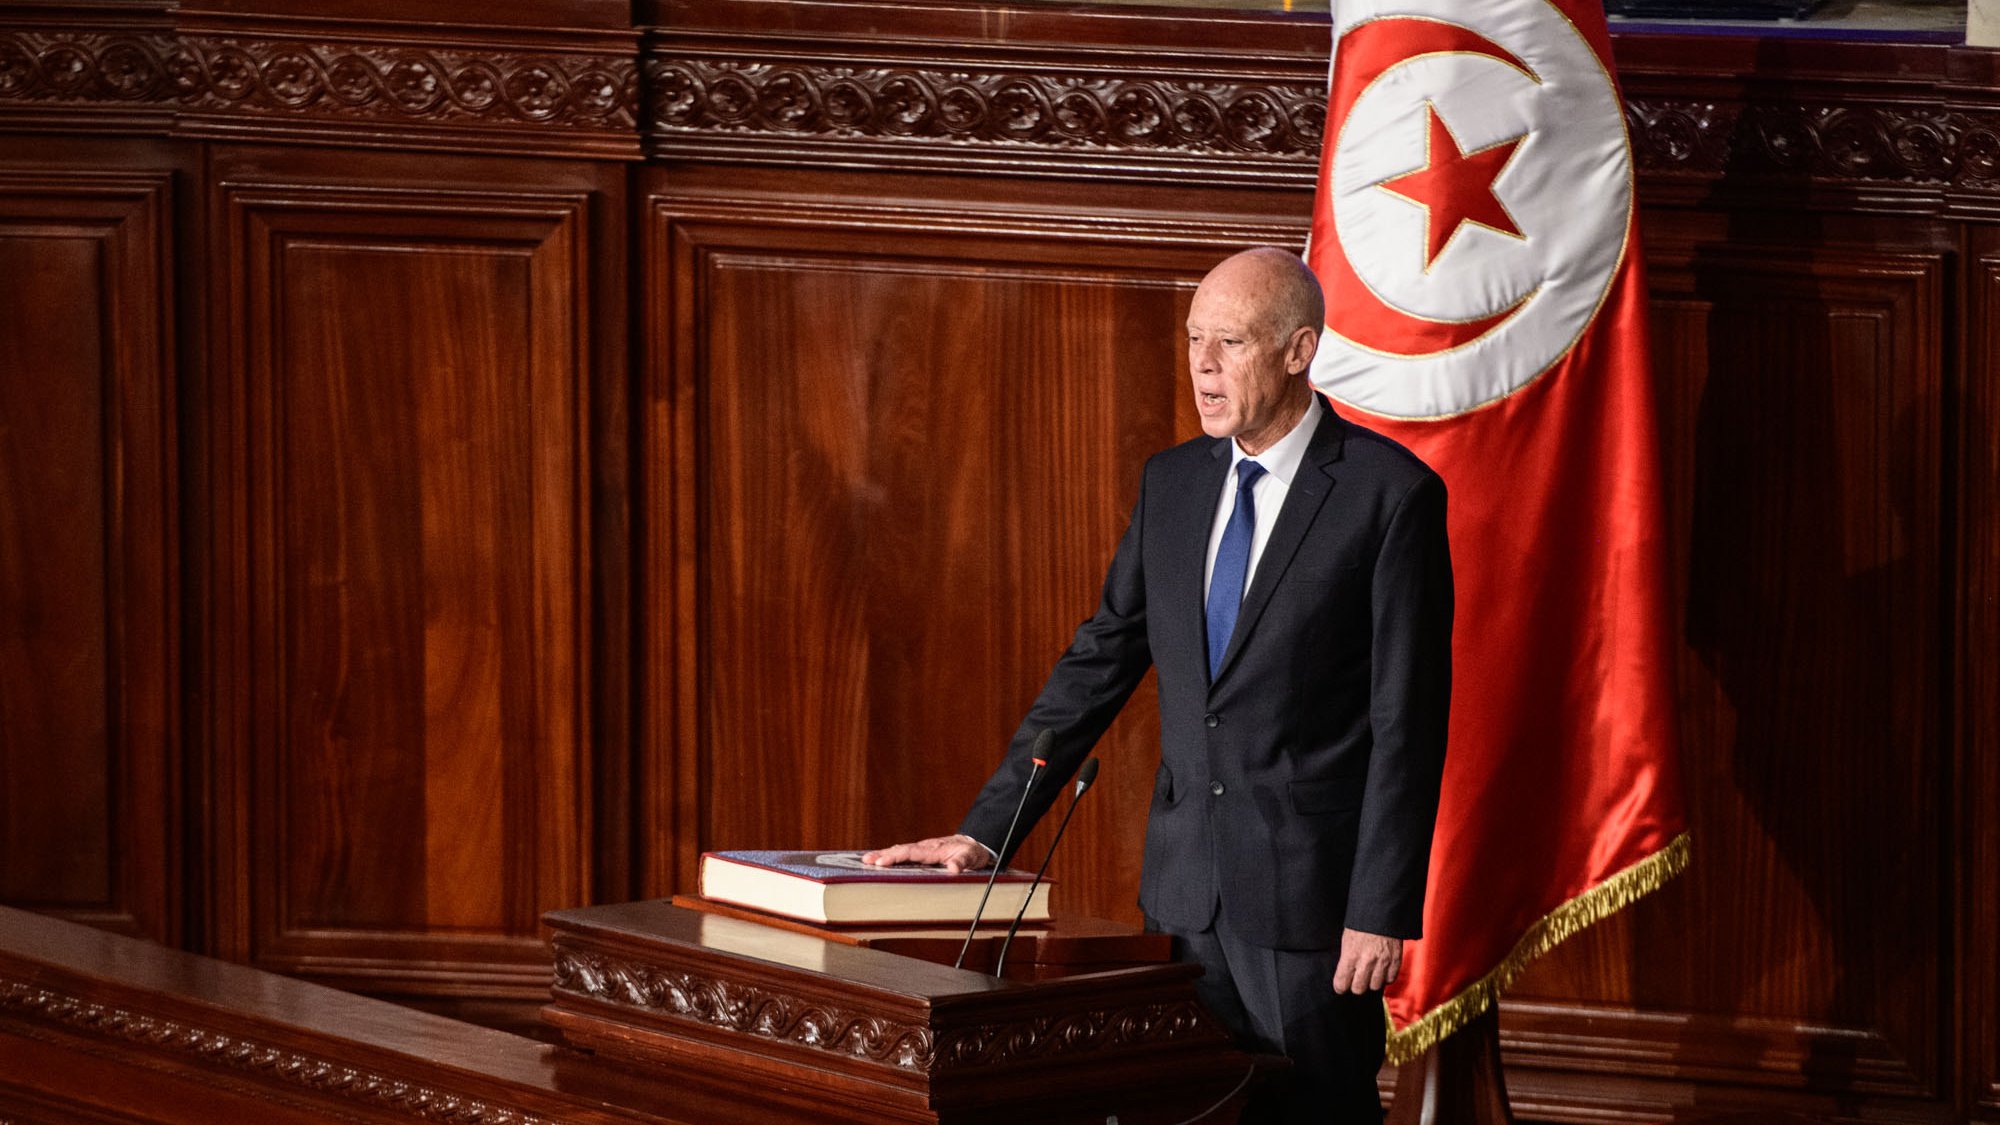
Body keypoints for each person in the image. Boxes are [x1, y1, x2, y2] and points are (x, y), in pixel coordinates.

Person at [864, 247, 1452, 1123]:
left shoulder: (1388, 496)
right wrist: (990, 832)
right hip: (1180, 895)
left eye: (1231, 344)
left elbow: (1408, 722)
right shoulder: (1173, 483)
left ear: (1299, 350)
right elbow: (1099, 661)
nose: (1203, 367)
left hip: (1310, 907)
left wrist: (1379, 907)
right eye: (1194, 341)